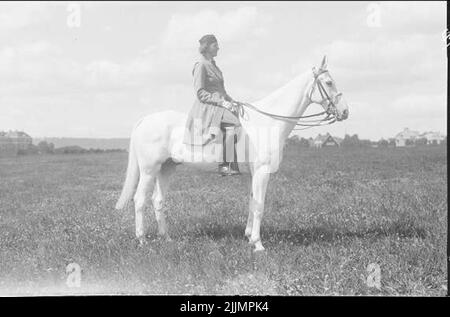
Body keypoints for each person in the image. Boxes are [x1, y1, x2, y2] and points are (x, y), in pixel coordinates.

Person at [183, 34, 241, 176]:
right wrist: (222, 102)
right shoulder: (201, 65)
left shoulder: (214, 65)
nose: (218, 48)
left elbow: (221, 90)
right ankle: (225, 166)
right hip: (208, 106)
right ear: (207, 47)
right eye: (215, 45)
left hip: (219, 105)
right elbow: (200, 92)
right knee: (233, 124)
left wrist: (231, 101)